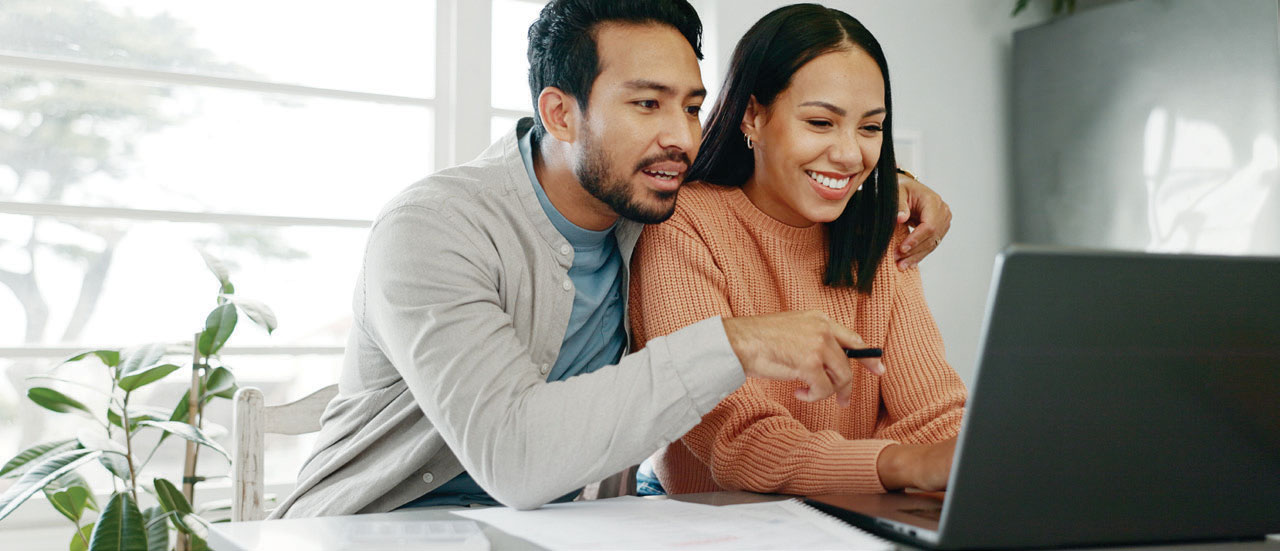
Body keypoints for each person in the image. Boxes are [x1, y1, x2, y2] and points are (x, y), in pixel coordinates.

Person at [271, 0, 952, 517]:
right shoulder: (433, 229)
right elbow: (517, 456)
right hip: (375, 526)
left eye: (689, 106)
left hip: (564, 528)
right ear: (560, 114)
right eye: (646, 104)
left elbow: (768, 187)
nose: (679, 137)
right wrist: (736, 341)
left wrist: (893, 186)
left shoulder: (649, 205)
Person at [630, 3, 967, 497]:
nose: (851, 154)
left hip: (860, 508)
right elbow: (739, 441)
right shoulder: (683, 226)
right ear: (752, 115)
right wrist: (898, 462)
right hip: (719, 520)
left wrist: (936, 462)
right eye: (820, 122)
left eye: (870, 127)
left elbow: (935, 420)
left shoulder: (883, 231)